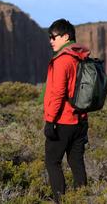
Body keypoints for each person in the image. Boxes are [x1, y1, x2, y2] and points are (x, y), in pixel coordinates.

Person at [43, 18, 90, 202]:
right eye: (50, 37)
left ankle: (60, 201)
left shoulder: (63, 60)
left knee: (52, 162)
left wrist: (50, 121)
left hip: (63, 121)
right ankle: (82, 199)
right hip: (80, 120)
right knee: (76, 163)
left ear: (66, 37)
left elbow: (58, 93)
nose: (51, 41)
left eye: (54, 37)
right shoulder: (80, 57)